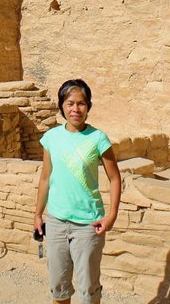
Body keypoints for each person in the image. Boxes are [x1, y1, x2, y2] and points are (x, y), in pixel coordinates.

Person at [34, 79, 122, 304]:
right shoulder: (51, 138)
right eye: (70, 103)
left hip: (87, 225)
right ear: (61, 105)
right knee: (59, 288)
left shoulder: (97, 138)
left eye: (81, 104)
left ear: (88, 106)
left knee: (88, 291)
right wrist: (38, 214)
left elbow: (114, 178)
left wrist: (111, 215)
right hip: (56, 223)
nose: (75, 109)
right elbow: (45, 178)